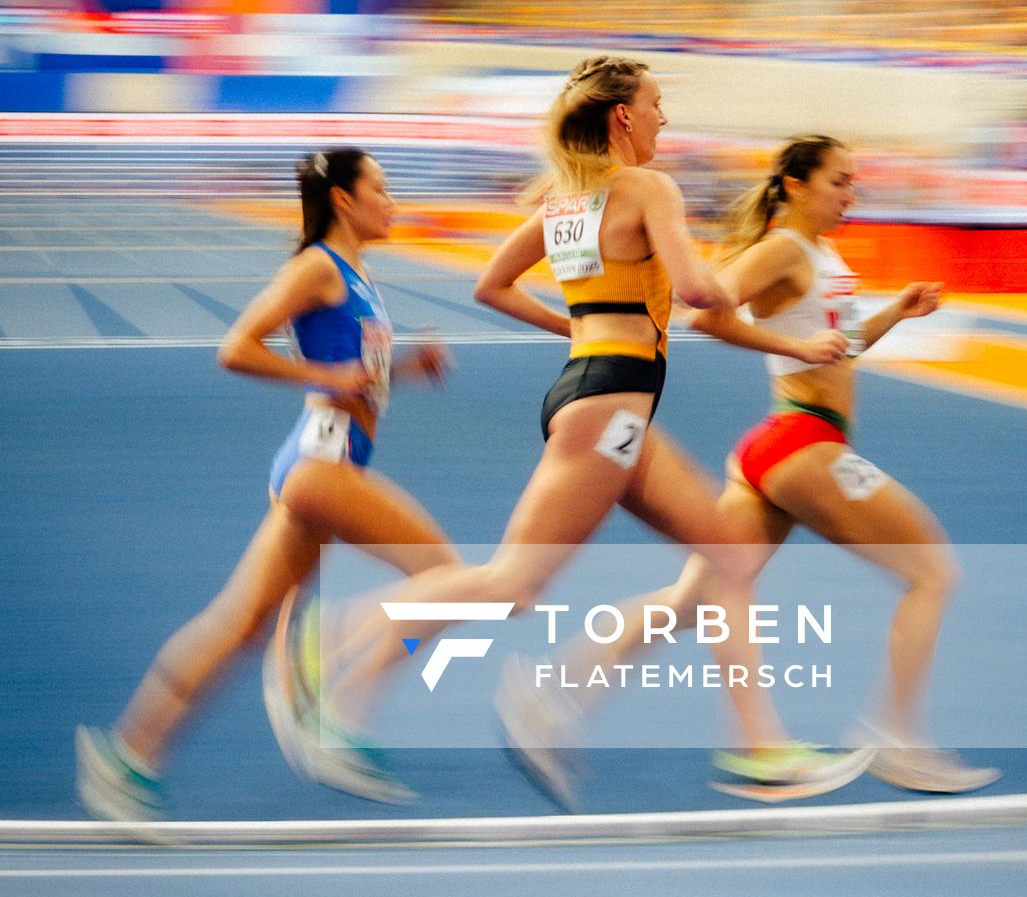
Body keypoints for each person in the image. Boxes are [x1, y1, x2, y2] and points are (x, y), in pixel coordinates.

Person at [272, 60, 870, 805]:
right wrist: (769, 314)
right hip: (610, 408)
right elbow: (696, 291)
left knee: (727, 558)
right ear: (622, 116)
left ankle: (745, 745)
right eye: (657, 105)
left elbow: (490, 284)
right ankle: (335, 644)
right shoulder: (649, 188)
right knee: (513, 584)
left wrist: (581, 327)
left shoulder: (566, 201)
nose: (664, 119)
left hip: (605, 400)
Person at [509, 135, 999, 798]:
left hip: (777, 450)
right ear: (795, 185)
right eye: (838, 182)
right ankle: (894, 736)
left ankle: (551, 692)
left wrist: (895, 313)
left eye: (854, 183)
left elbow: (836, 349)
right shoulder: (784, 248)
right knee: (932, 572)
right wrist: (794, 342)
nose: (851, 195)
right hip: (805, 444)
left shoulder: (821, 254)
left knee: (693, 598)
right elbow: (707, 314)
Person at [76, 146, 459, 820]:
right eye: (382, 187)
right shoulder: (317, 266)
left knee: (239, 624)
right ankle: (327, 666)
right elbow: (238, 346)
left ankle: (127, 758)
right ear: (343, 198)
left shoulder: (355, 272)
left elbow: (354, 371)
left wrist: (405, 369)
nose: (393, 202)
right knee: (448, 574)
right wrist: (325, 379)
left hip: (324, 465)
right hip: (321, 466)